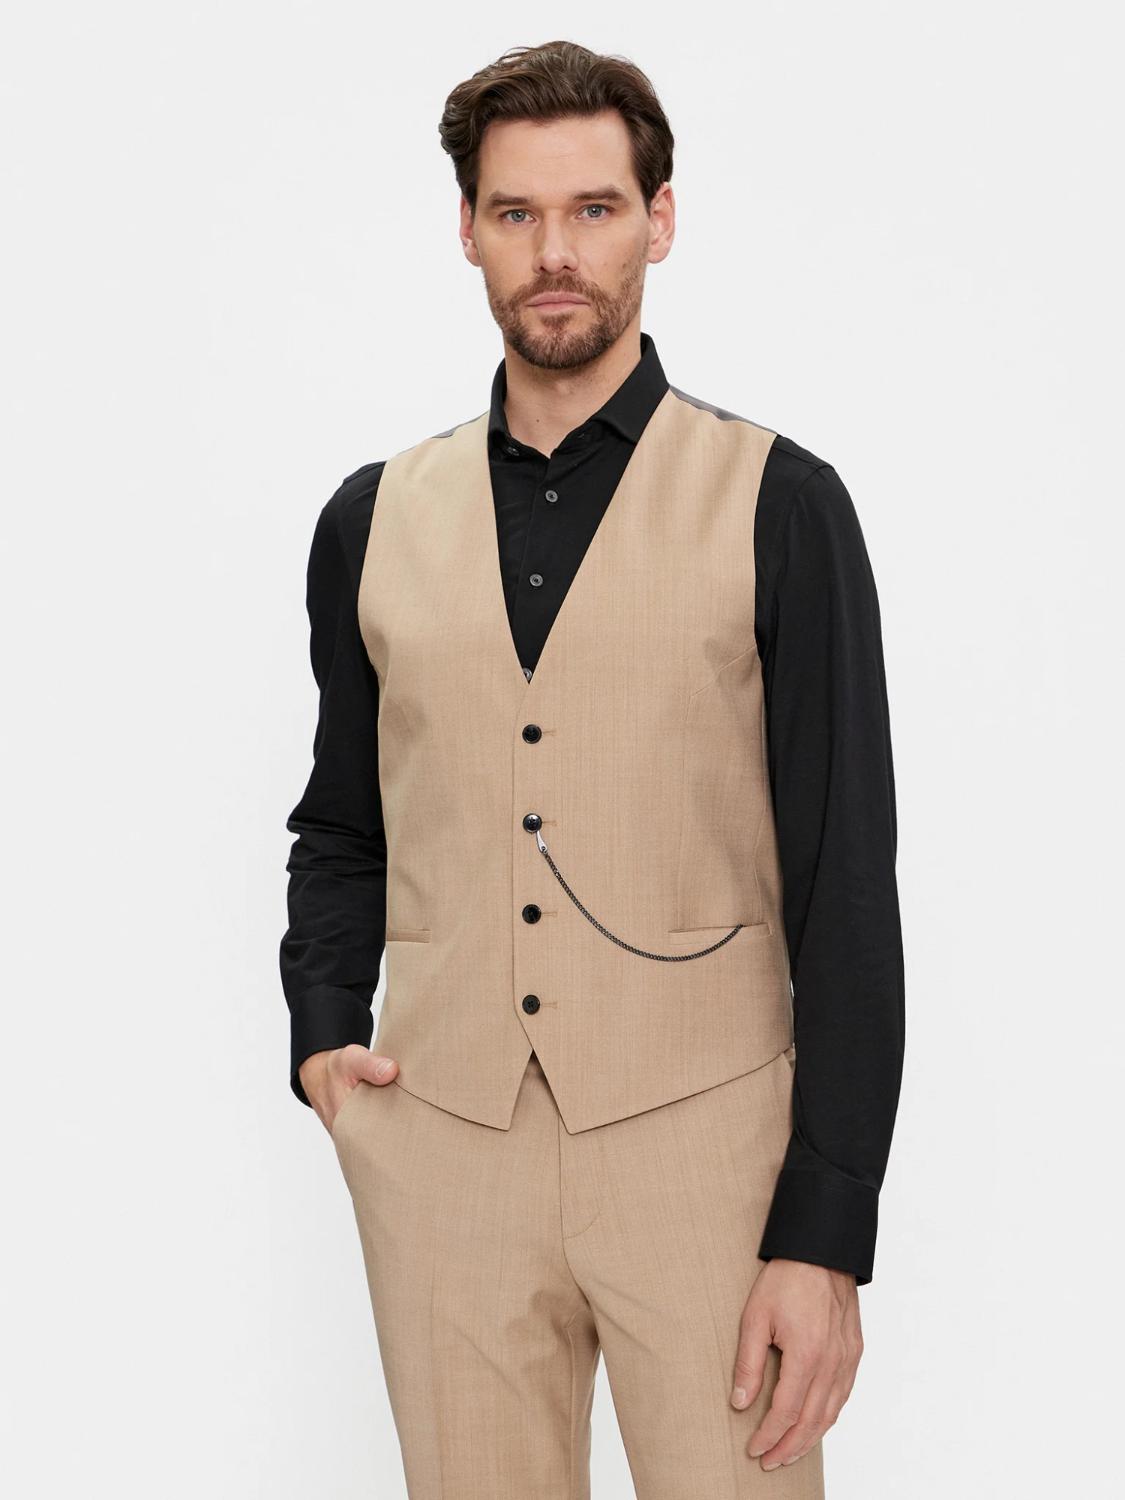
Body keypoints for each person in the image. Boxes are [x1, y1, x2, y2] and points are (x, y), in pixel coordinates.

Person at [280, 39, 905, 1500]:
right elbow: (342, 818)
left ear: (658, 220)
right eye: (516, 213)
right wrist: (322, 1034)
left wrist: (825, 1230)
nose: (553, 253)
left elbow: (843, 878)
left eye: (593, 210)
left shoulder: (780, 502)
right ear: (468, 230)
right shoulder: (371, 517)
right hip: (444, 1149)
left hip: (708, 1152)